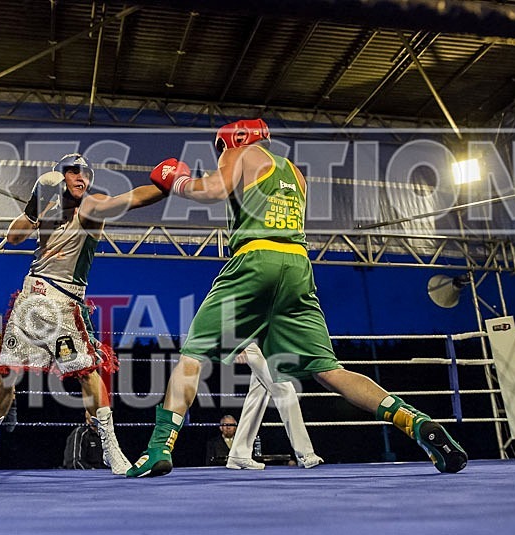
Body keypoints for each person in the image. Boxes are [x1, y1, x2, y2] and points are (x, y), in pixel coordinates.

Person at [127, 119, 468, 477]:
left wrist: (177, 180)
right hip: (298, 267)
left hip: (255, 261)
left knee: (192, 357)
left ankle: (158, 449)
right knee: (329, 371)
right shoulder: (295, 174)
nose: (221, 153)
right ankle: (415, 422)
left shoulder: (239, 151)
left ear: (234, 138)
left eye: (222, 147)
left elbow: (212, 189)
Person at [0, 153, 166, 474]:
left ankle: (110, 448)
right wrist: (34, 208)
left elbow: (129, 200)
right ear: (59, 177)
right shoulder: (47, 209)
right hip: (31, 298)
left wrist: (167, 185)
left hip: (64, 302)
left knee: (86, 371)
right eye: (72, 172)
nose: (79, 177)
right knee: (6, 374)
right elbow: (13, 237)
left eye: (84, 173)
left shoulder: (90, 206)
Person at [227, 343, 323, 470]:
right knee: (284, 389)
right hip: (249, 341)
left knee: (258, 394)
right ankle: (305, 454)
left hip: (259, 344)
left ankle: (238, 454)